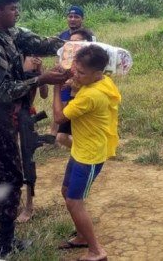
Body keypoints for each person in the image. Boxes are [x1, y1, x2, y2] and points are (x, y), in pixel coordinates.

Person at [0, 0, 70, 257]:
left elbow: (42, 44)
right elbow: (1, 91)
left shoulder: (12, 34)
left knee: (4, 176)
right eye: (12, 9)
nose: (17, 12)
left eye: (17, 8)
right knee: (11, 178)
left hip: (4, 116)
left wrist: (76, 47)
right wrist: (41, 79)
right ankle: (3, 242)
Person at [52, 45, 121, 261]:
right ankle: (82, 236)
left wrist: (56, 89)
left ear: (97, 73)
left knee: (74, 201)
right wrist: (74, 82)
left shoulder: (91, 95)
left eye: (81, 73)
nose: (76, 75)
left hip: (89, 156)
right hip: (80, 150)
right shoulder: (104, 82)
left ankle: (96, 250)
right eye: (76, 70)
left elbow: (60, 117)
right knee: (66, 191)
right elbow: (78, 87)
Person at [17, 55, 49, 224]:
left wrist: (40, 72)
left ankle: (29, 205)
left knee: (27, 160)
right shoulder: (7, 56)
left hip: (26, 115)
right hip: (6, 115)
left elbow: (44, 94)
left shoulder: (33, 61)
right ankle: (14, 200)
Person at [54, 29, 95, 150]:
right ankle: (82, 152)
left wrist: (70, 82)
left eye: (77, 41)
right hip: (73, 99)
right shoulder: (68, 60)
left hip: (85, 101)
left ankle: (85, 154)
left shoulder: (92, 61)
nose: (73, 44)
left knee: (78, 134)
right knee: (61, 136)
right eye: (70, 41)